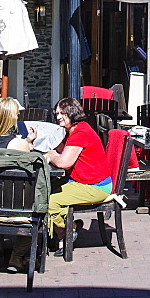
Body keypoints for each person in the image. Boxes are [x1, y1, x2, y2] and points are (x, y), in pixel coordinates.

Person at [43, 98, 112, 257]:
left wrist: (52, 156)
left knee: (50, 200)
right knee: (46, 189)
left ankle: (68, 231)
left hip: (95, 186)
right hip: (83, 181)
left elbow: (64, 162)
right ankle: (66, 230)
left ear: (72, 113)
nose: (58, 116)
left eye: (62, 113)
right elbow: (58, 149)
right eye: (57, 113)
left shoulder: (80, 133)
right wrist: (50, 152)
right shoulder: (73, 130)